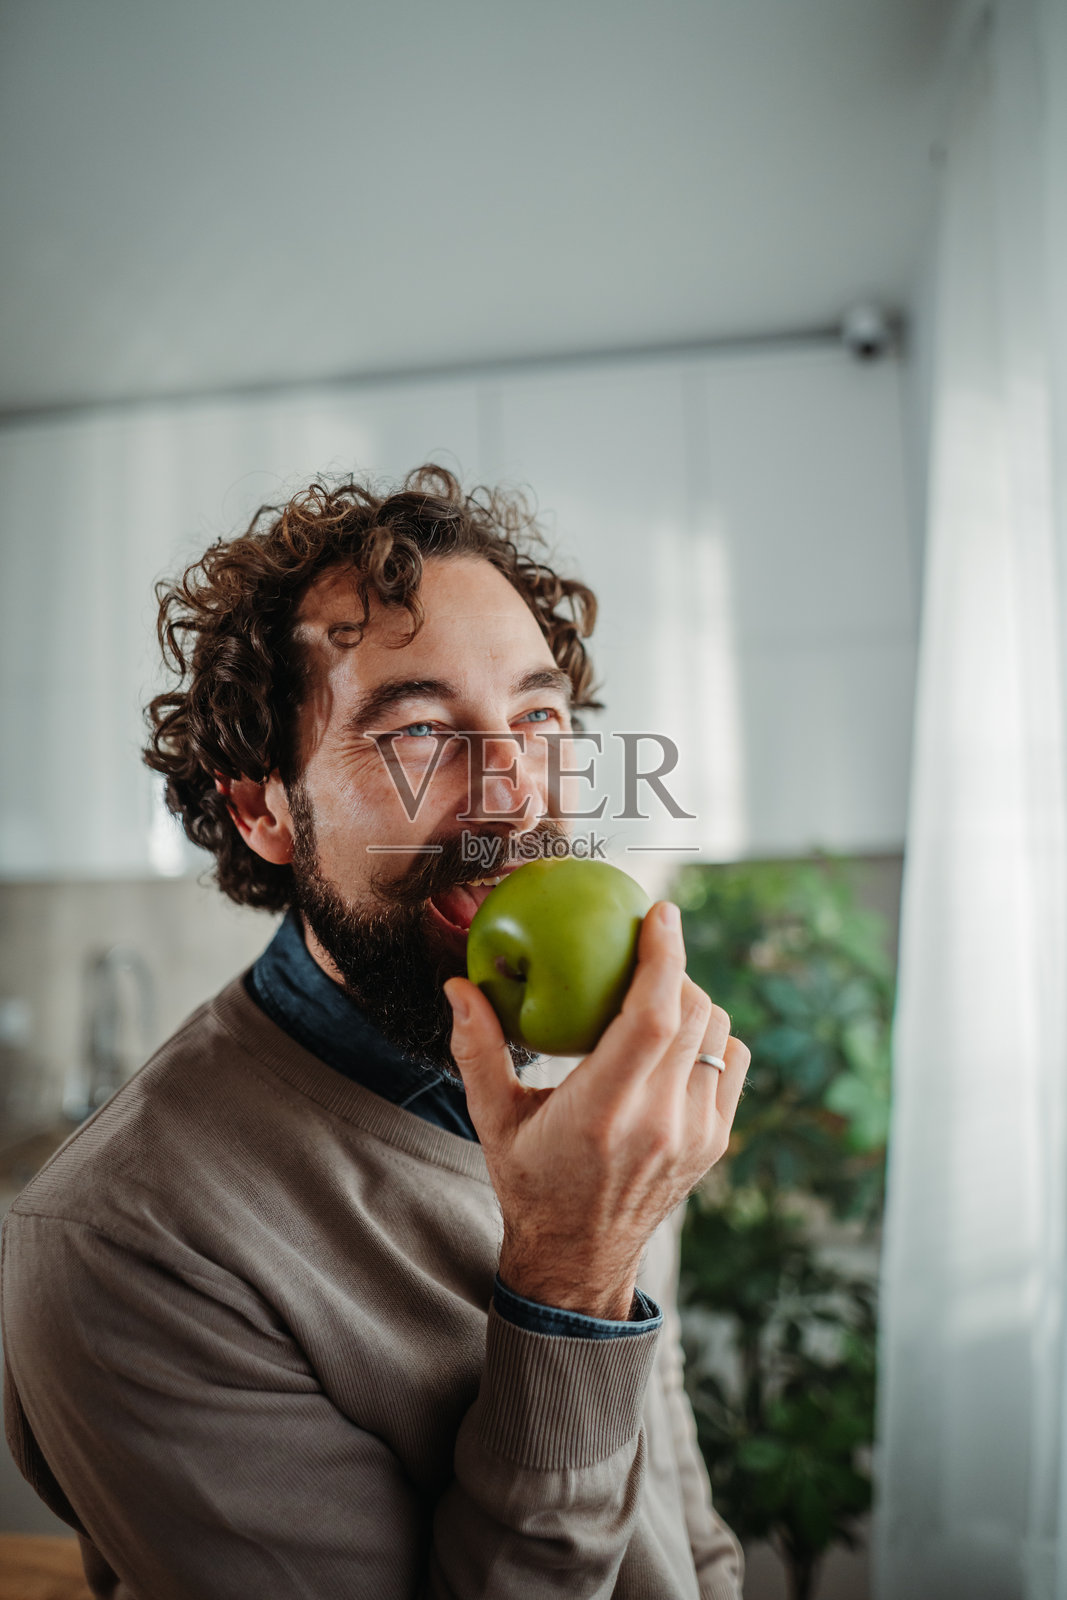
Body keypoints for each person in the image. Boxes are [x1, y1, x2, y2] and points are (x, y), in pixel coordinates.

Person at [2, 465, 750, 1599]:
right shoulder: (128, 1247)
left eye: (537, 717)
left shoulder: (599, 1107)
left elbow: (673, 1513)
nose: (513, 791)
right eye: (418, 733)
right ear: (263, 807)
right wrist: (568, 1283)